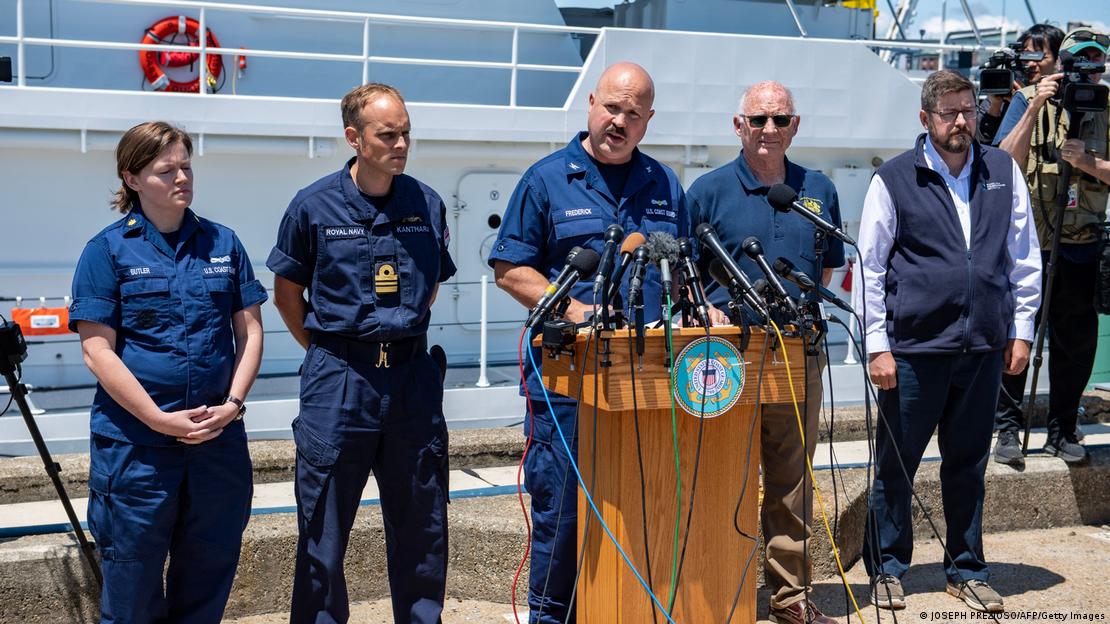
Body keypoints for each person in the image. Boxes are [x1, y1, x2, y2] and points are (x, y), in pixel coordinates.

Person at [487, 61, 687, 624]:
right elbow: (509, 268)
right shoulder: (547, 179)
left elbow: (682, 265)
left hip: (647, 377)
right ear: (592, 104)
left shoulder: (666, 184)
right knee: (564, 508)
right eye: (612, 108)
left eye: (633, 113)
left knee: (643, 501)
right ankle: (553, 616)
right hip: (567, 380)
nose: (619, 121)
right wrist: (573, 308)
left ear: (648, 121)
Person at [268, 83, 456, 624]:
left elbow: (429, 284)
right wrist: (334, 354)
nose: (401, 144)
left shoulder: (427, 202)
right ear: (354, 137)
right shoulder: (312, 205)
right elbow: (287, 294)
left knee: (423, 526)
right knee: (321, 532)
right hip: (339, 380)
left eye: (406, 133)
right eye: (387, 134)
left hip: (412, 380)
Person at [857, 70, 1041, 613]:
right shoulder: (892, 179)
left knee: (969, 463)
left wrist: (1021, 331)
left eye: (969, 110)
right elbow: (867, 268)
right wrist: (876, 346)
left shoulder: (1003, 171)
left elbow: (1024, 258)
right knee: (897, 464)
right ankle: (888, 568)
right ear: (925, 119)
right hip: (913, 351)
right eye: (949, 113)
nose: (962, 121)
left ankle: (966, 568)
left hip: (983, 348)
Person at [70, 121, 267, 623]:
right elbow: (98, 352)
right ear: (131, 178)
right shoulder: (107, 250)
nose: (182, 178)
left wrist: (234, 406)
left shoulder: (224, 243)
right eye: (166, 170)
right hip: (137, 453)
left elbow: (250, 333)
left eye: (186, 166)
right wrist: (160, 420)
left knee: (208, 575)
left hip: (217, 447)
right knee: (131, 588)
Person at [687, 80, 845, 624]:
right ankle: (716, 592)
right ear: (739, 126)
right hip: (727, 355)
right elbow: (685, 277)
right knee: (721, 474)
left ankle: (788, 600)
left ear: (795, 126)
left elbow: (825, 268)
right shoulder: (707, 192)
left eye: (780, 120)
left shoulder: (818, 188)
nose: (769, 130)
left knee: (791, 479)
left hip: (798, 350)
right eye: (758, 120)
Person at [991, 28, 1110, 466]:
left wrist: (1088, 163)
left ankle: (1062, 429)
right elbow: (1003, 162)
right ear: (1060, 62)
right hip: (1029, 245)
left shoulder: (1108, 105)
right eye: (1078, 62)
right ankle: (1007, 428)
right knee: (1016, 335)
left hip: (1082, 243)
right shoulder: (1027, 99)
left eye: (1096, 63)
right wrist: (1036, 103)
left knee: (1075, 343)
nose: (1087, 72)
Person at [976, 24, 1064, 145]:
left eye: (1039, 56)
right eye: (1026, 56)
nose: (1032, 63)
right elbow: (981, 145)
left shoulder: (1062, 98)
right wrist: (995, 106)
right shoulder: (1003, 92)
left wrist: (1024, 103)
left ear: (1058, 61)